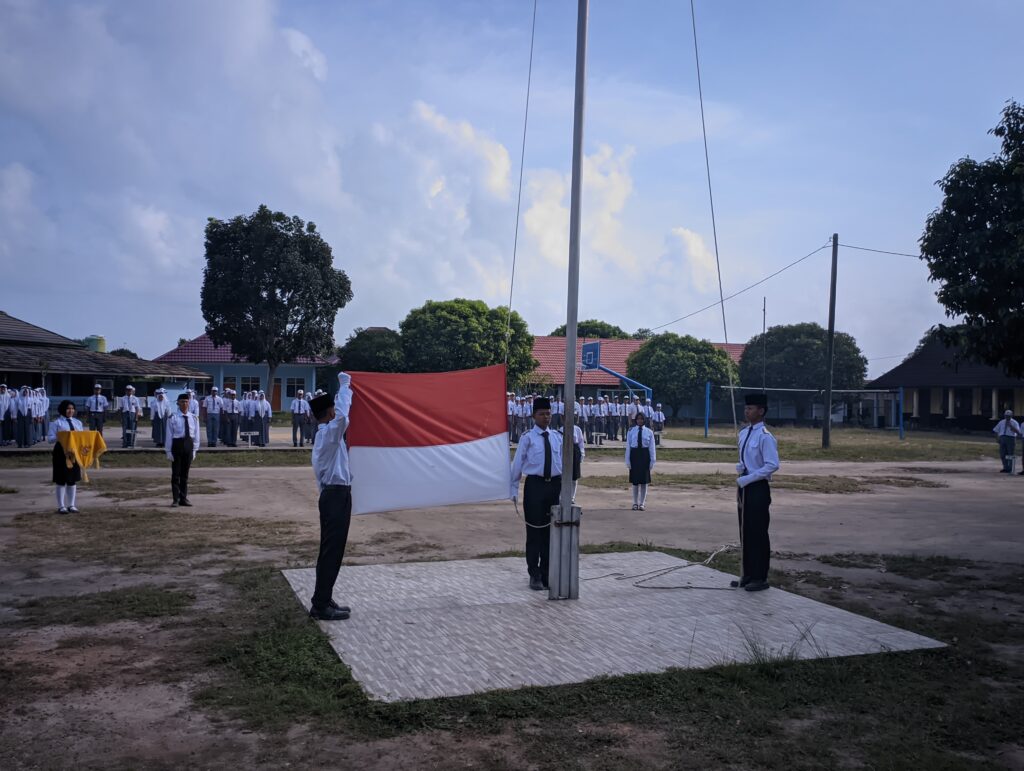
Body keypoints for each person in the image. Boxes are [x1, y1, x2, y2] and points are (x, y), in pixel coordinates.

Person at [308, 373, 355, 621]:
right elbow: (343, 417)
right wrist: (345, 388)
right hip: (335, 498)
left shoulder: (326, 436)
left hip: (336, 496)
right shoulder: (328, 435)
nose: (336, 413)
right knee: (331, 552)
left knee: (332, 551)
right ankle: (320, 604)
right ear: (328, 413)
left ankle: (324, 598)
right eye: (333, 410)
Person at [510, 396, 561, 591]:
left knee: (550, 533)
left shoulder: (557, 436)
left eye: (548, 413)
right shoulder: (527, 438)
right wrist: (513, 489)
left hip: (553, 487)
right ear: (533, 416)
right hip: (535, 487)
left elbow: (562, 465)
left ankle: (547, 573)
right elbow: (517, 465)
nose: (546, 417)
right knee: (534, 533)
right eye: (541, 414)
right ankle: (534, 574)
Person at [732, 393, 780, 592]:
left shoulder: (765, 437)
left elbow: (772, 465)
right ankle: (748, 573)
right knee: (745, 531)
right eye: (746, 408)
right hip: (744, 486)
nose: (747, 411)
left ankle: (760, 576)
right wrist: (741, 467)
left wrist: (749, 477)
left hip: (757, 487)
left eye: (751, 408)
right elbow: (748, 458)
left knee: (758, 532)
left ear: (761, 411)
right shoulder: (744, 433)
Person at [48, 399, 85, 514]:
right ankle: (61, 506)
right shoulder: (56, 423)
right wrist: (62, 436)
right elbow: (50, 439)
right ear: (63, 409)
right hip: (61, 452)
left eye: (72, 408)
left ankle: (72, 505)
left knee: (72, 479)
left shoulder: (78, 423)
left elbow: (81, 437)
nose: (70, 411)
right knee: (61, 479)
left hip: (74, 453)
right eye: (68, 408)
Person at [165, 391, 200, 507]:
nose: (184, 404)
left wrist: (194, 450)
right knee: (176, 474)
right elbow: (169, 435)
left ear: (189, 403)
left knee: (185, 474)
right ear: (178, 404)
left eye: (186, 402)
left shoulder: (193, 418)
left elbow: (196, 435)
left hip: (188, 445)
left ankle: (183, 498)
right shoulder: (173, 417)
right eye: (182, 402)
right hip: (177, 445)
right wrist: (169, 451)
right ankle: (175, 499)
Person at [626, 411, 656, 510]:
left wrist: (652, 460)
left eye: (641, 419)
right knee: (635, 482)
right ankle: (635, 503)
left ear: (644, 420)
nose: (640, 421)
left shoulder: (649, 432)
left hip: (644, 456)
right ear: (636, 420)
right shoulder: (631, 431)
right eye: (638, 419)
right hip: (634, 456)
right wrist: (627, 460)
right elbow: (628, 447)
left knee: (644, 481)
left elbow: (652, 447)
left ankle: (642, 503)